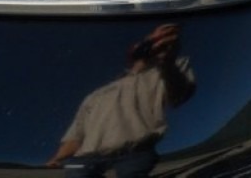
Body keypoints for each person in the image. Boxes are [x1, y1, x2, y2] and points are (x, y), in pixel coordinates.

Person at [47, 24, 196, 177]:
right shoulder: (97, 94)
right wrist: (56, 159)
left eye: (153, 43)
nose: (147, 47)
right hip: (86, 159)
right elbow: (76, 135)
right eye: (144, 44)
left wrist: (167, 63)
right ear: (130, 53)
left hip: (134, 155)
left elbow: (179, 96)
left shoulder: (167, 71)